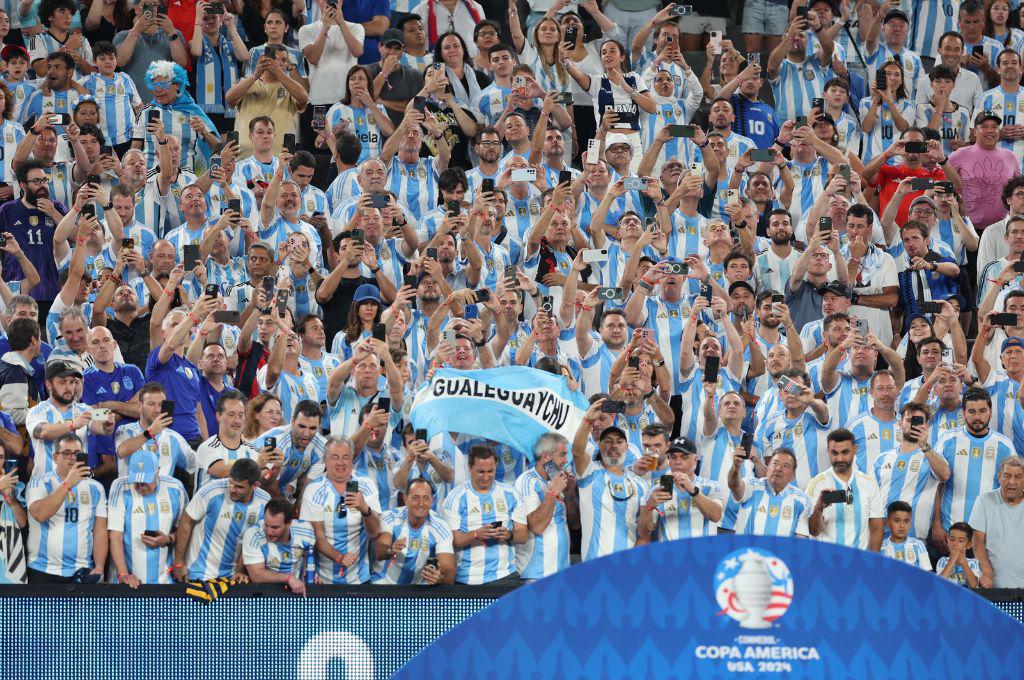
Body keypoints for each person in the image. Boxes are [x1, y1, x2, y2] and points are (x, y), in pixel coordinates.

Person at [571, 400, 650, 561]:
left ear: (627, 447)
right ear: (599, 445)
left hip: (628, 571)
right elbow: (578, 452)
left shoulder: (641, 485)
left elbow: (645, 532)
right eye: (608, 441)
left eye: (619, 441)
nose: (614, 445)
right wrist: (587, 420)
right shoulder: (590, 474)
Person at [171, 457, 270, 582]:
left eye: (239, 487)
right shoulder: (212, 491)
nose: (232, 489)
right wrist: (179, 563)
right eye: (231, 482)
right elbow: (186, 520)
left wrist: (240, 571)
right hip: (200, 574)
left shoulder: (264, 502)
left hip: (233, 578)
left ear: (255, 485)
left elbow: (251, 540)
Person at [25, 432, 107, 582]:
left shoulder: (96, 488)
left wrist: (100, 567)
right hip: (43, 569)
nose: (73, 458)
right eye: (67, 453)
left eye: (77, 453)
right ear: (55, 457)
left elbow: (100, 531)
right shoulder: (39, 483)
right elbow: (39, 514)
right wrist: (68, 484)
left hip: (82, 570)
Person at [300, 435, 382, 584]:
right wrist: (339, 557)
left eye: (345, 457)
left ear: (352, 460)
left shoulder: (366, 484)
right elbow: (317, 538)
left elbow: (375, 533)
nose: (340, 462)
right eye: (334, 457)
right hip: (323, 580)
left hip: (359, 579)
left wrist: (364, 508)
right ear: (325, 460)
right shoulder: (314, 490)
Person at [443, 444, 527, 585]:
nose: (486, 477)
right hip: (467, 578)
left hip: (505, 576)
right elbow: (453, 541)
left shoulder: (510, 494)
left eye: (491, 471)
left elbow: (523, 535)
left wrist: (508, 535)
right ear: (470, 468)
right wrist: (476, 535)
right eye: (481, 472)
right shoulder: (456, 497)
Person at [107, 450, 187, 586]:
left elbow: (185, 529)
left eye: (145, 480)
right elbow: (115, 536)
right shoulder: (120, 486)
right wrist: (124, 574)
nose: (139, 485)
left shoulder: (176, 488)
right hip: (126, 582)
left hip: (165, 582)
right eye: (136, 480)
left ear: (158, 471)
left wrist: (168, 539)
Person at [873, 402, 952, 540]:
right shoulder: (882, 459)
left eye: (919, 421)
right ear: (900, 423)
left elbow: (945, 475)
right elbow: (870, 497)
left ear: (927, 425)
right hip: (882, 538)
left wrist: (925, 446)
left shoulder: (931, 457)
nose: (913, 425)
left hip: (916, 540)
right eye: (909, 420)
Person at [805, 428, 884, 550]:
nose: (840, 459)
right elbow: (813, 532)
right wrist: (819, 508)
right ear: (828, 451)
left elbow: (877, 529)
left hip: (858, 564)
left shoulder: (869, 484)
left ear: (855, 449)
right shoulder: (816, 484)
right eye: (834, 453)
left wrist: (871, 564)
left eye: (845, 452)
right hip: (825, 563)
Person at [638, 436, 723, 541]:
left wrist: (693, 491)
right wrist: (649, 506)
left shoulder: (710, 486)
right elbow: (643, 532)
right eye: (673, 457)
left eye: (684, 457)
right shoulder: (657, 490)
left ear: (695, 461)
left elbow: (716, 516)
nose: (678, 462)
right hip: (670, 556)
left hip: (702, 556)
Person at [374, 477, 456, 585]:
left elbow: (449, 572)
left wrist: (439, 577)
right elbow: (380, 552)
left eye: (426, 498)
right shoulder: (390, 518)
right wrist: (391, 551)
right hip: (383, 586)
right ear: (405, 499)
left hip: (418, 591)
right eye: (416, 498)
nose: (421, 503)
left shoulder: (441, 527)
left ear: (432, 501)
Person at [512, 433, 571, 581]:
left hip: (561, 570)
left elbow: (574, 523)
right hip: (537, 574)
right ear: (546, 457)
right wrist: (552, 493)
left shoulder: (556, 478)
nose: (566, 460)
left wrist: (572, 495)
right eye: (562, 455)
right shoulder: (526, 481)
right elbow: (536, 526)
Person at [114, 382, 195, 481]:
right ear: (140, 406)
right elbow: (122, 451)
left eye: (161, 404)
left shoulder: (173, 437)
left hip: (162, 495)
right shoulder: (125, 430)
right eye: (151, 404)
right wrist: (150, 432)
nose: (157, 410)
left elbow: (196, 464)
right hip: (130, 494)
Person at [113, 2, 188, 102]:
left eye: (155, 5)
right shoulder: (122, 36)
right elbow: (120, 61)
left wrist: (171, 32)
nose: (152, 9)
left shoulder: (174, 34)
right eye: (146, 5)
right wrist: (136, 31)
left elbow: (182, 63)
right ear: (136, 9)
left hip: (167, 105)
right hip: (134, 106)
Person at [727, 447, 811, 537]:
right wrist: (736, 467)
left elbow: (800, 539)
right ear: (768, 467)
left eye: (786, 466)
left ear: (793, 475)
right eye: (775, 463)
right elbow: (735, 486)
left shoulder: (802, 501)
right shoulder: (751, 486)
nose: (778, 468)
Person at [241, 497, 317, 594]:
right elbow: (257, 575)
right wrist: (288, 578)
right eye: (266, 524)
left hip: (296, 592)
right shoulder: (254, 534)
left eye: (275, 527)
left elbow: (308, 558)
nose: (268, 531)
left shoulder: (306, 531)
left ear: (289, 523)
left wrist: (313, 575)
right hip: (263, 594)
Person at [970, 456, 1024, 587]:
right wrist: (987, 572)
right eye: (1007, 476)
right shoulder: (984, 501)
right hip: (995, 586)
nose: (1012, 481)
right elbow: (977, 542)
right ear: (999, 477)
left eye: (1018, 476)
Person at [194, 390, 259, 489]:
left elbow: (265, 480)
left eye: (241, 415)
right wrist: (258, 465)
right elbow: (222, 471)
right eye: (231, 414)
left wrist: (275, 469)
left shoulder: (252, 450)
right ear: (218, 416)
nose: (237, 420)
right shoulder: (207, 448)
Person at [880, 499, 932, 569]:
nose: (902, 526)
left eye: (906, 521)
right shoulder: (881, 547)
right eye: (897, 521)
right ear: (887, 523)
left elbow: (927, 574)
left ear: (910, 523)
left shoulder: (917, 545)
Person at [935, 521, 982, 587]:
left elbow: (974, 585)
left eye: (960, 541)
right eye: (952, 539)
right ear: (948, 541)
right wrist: (951, 561)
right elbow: (939, 584)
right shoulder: (942, 561)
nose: (955, 543)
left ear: (969, 545)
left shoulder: (973, 562)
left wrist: (964, 563)